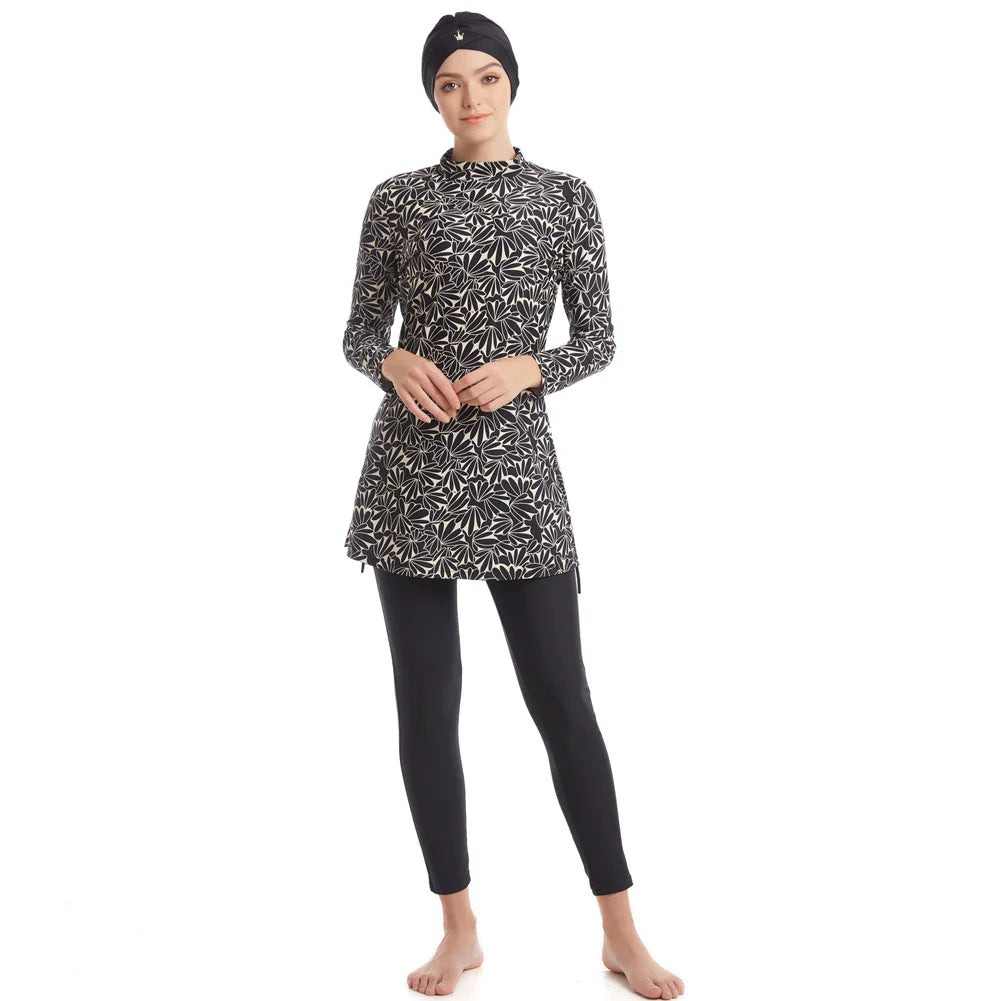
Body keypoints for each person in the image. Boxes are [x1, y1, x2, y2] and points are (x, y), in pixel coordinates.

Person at [342, 12, 685, 999]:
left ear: (512, 84)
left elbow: (600, 337)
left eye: (486, 76)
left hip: (517, 476)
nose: (470, 97)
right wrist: (391, 359)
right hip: (410, 476)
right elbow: (359, 330)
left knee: (562, 702)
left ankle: (620, 931)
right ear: (432, 96)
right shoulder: (397, 199)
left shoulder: (564, 197)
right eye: (449, 82)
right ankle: (457, 929)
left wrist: (533, 365)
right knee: (426, 706)